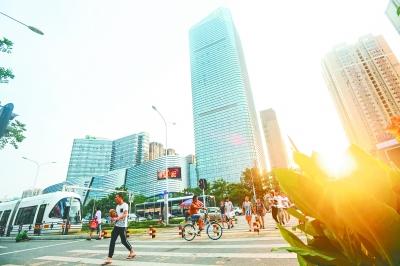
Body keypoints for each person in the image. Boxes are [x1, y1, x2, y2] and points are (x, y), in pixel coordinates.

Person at [103, 193, 135, 265]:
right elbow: (117, 216)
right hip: (117, 226)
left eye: (116, 197)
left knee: (124, 241)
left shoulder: (125, 205)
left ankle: (132, 251)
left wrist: (117, 218)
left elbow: (125, 214)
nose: (115, 199)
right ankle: (109, 258)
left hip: (123, 226)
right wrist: (113, 219)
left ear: (120, 198)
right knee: (112, 241)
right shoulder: (117, 206)